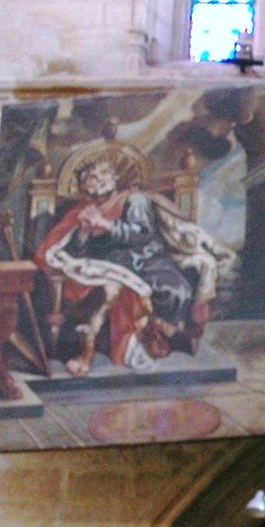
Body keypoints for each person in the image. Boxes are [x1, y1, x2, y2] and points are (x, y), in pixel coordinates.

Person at [35, 153, 234, 375]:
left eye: (103, 174)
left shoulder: (133, 199)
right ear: (83, 186)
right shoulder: (80, 211)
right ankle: (121, 348)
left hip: (147, 259)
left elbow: (141, 233)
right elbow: (75, 251)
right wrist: (83, 231)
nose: (97, 179)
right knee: (114, 295)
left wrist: (105, 225)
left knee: (176, 290)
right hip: (112, 265)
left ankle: (160, 343)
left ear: (114, 179)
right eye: (91, 177)